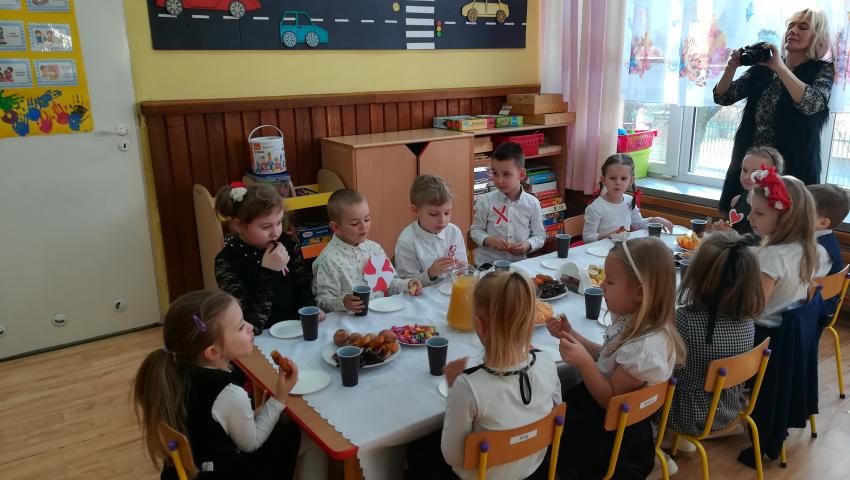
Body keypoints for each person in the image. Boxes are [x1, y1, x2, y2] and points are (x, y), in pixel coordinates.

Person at [547, 237, 685, 479]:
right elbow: (607, 356)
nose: (601, 286)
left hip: (610, 436)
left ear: (640, 292)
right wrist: (573, 335)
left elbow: (609, 399)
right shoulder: (637, 324)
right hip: (610, 420)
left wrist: (583, 363)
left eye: (609, 282)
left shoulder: (646, 348)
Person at [406, 272, 562, 480]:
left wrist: (453, 387)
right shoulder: (547, 362)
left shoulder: (467, 386)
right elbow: (555, 412)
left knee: (416, 450)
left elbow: (453, 457)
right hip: (533, 469)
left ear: (478, 325)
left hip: (483, 476)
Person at [133, 290, 301, 479]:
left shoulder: (175, 368)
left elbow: (215, 421)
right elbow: (251, 444)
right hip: (220, 471)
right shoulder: (229, 393)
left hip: (191, 467)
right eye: (240, 327)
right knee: (292, 433)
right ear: (212, 352)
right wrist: (280, 398)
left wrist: (258, 411)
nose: (250, 326)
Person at [714, 8, 834, 213]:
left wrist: (780, 68)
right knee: (742, 220)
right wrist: (731, 67)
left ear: (817, 37)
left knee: (783, 223)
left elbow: (812, 104)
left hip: (792, 167)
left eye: (802, 27)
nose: (793, 31)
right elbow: (723, 97)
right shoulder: (764, 66)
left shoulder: (822, 69)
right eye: (790, 26)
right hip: (751, 165)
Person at [667, 231, 764, 440]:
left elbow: (664, 366)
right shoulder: (748, 320)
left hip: (685, 416)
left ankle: (666, 438)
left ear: (696, 275)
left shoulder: (685, 320)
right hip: (729, 408)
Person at [214, 182, 322, 333]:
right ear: (239, 226)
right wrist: (268, 272)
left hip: (294, 328)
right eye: (266, 227)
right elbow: (251, 324)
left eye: (279, 223)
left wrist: (310, 310)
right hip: (258, 337)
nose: (275, 233)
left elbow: (301, 285)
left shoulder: (288, 243)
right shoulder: (226, 261)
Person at [312, 189, 422, 313]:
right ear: (336, 227)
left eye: (367, 219)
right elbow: (323, 301)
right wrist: (343, 302)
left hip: (383, 313)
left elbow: (390, 283)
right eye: (355, 223)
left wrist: (408, 284)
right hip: (350, 320)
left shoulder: (374, 249)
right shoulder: (327, 260)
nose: (364, 227)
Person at [747, 169, 819, 328]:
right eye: (751, 209)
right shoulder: (805, 247)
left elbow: (752, 309)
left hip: (763, 334)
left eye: (759, 213)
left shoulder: (773, 256)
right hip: (787, 331)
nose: (749, 217)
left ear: (785, 219)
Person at [469, 142, 546, 266]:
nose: (499, 180)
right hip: (488, 264)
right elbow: (475, 231)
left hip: (519, 264)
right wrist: (488, 239)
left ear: (521, 174)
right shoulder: (485, 202)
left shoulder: (532, 204)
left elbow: (539, 236)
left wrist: (528, 245)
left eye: (506, 174)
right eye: (495, 173)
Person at [395, 174, 467, 286]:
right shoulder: (407, 241)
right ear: (415, 211)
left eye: (447, 213)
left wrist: (461, 268)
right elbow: (406, 285)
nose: (442, 220)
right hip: (422, 295)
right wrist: (430, 274)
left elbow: (463, 270)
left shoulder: (454, 232)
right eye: (434, 214)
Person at [583, 154, 672, 242]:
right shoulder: (596, 208)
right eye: (612, 178)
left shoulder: (629, 201)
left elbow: (638, 224)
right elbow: (587, 238)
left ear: (631, 181)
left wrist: (655, 220)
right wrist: (610, 235)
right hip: (602, 249)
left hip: (624, 247)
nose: (618, 182)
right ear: (603, 180)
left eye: (623, 178)